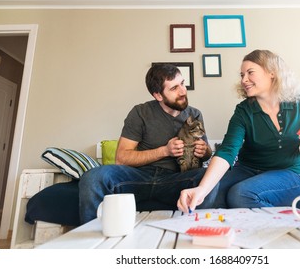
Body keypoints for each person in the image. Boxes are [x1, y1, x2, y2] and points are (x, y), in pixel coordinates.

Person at [178, 49, 300, 213]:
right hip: (247, 170)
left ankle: (286, 225)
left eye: (250, 73)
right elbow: (227, 151)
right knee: (206, 197)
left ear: (272, 73)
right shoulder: (244, 111)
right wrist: (202, 190)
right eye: (242, 75)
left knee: (240, 195)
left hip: (288, 173)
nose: (244, 80)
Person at [79, 64, 213, 224]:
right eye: (174, 88)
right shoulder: (140, 112)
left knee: (209, 178)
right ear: (158, 95)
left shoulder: (194, 114)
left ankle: (198, 232)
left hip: (176, 179)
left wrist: (205, 151)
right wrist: (165, 151)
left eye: (183, 83)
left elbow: (206, 153)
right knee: (93, 177)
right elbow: (121, 158)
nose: (183, 91)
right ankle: (92, 240)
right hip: (138, 178)